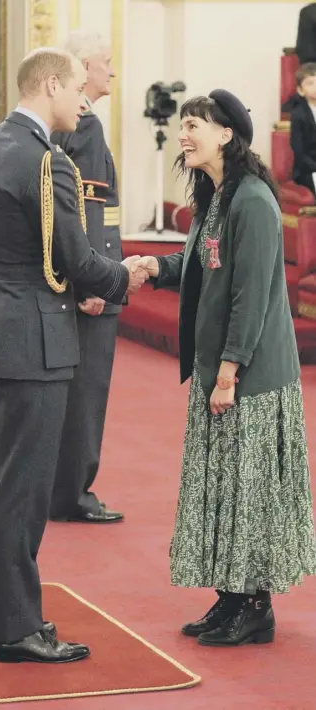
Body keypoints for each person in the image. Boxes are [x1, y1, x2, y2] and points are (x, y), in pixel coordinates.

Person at [0, 47, 147, 663]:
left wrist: (0, 307)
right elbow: (76, 259)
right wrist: (126, 276)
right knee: (24, 490)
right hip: (37, 345)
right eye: (75, 89)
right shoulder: (49, 163)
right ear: (48, 85)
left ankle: (8, 613)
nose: (82, 100)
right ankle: (16, 628)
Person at [136, 90, 316, 647]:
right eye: (183, 125)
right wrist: (156, 266)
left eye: (194, 125)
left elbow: (252, 295)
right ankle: (232, 596)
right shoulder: (218, 195)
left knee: (251, 489)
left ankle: (256, 605)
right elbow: (202, 262)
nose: (184, 134)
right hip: (220, 369)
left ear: (226, 135)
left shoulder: (255, 201)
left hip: (251, 378)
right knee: (225, 487)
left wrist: (230, 371)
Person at [50, 31, 124, 524]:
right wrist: (96, 282)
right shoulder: (87, 126)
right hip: (92, 277)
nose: (111, 72)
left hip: (74, 274)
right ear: (82, 67)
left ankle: (61, 486)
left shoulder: (59, 125)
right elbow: (88, 212)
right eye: (105, 63)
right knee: (86, 392)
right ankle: (73, 494)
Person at [290, 62, 316, 196]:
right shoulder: (298, 115)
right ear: (300, 90)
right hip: (308, 170)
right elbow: (300, 152)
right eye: (310, 83)